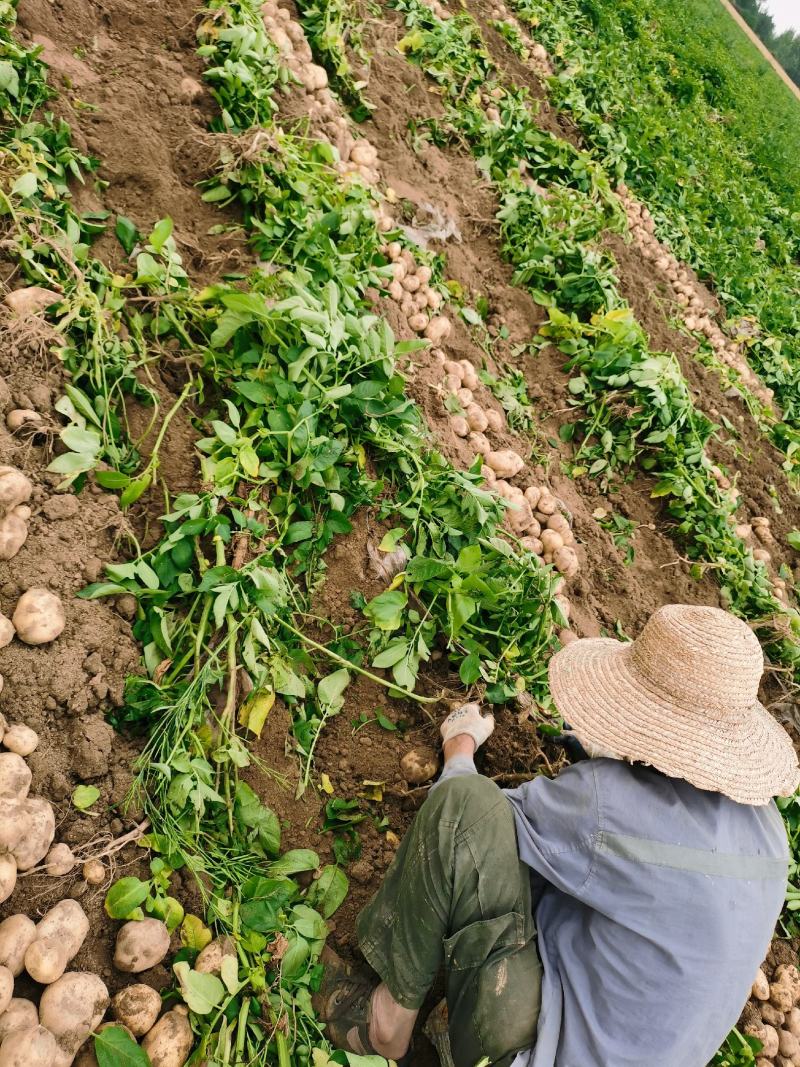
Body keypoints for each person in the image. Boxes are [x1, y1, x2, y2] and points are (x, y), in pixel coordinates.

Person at [314, 604, 800, 1066]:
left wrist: (459, 746)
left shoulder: (609, 804)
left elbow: (472, 829)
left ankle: (383, 1025)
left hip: (537, 1055)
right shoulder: (771, 839)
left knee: (462, 810)